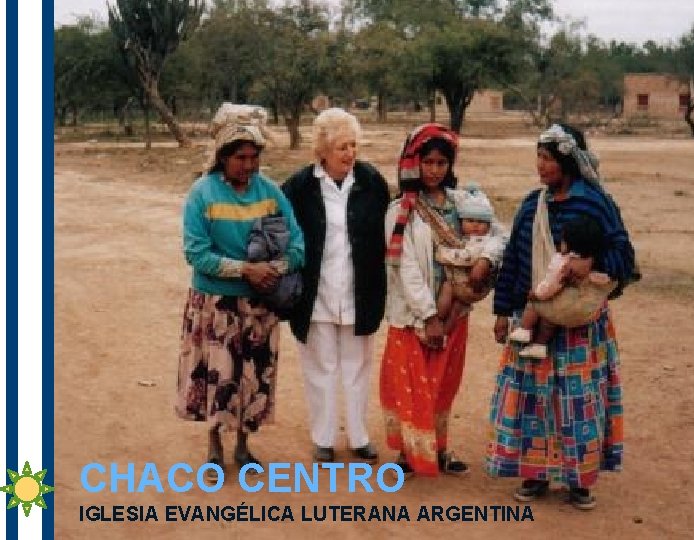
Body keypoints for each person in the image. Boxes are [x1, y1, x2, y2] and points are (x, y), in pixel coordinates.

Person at [486, 123, 635, 510]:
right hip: (532, 316)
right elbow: (515, 261)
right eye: (538, 157)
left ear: (567, 162)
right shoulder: (531, 206)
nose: (540, 166)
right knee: (534, 401)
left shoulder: (595, 203)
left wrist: (593, 265)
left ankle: (579, 481)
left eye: (547, 159)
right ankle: (534, 474)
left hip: (580, 329)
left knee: (578, 401)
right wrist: (504, 312)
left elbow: (624, 254)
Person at [175, 103, 304, 479]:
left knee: (254, 374)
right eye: (240, 157)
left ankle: (245, 445)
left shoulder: (271, 193)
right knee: (219, 374)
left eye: (254, 157)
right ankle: (214, 445)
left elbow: (297, 247)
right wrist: (245, 269)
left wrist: (271, 270)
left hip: (260, 304)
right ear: (222, 157)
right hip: (216, 304)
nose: (248, 165)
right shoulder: (202, 193)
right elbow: (196, 253)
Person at [381, 123, 506, 477]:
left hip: (457, 314)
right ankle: (407, 455)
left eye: (442, 163)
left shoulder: (464, 202)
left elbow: (500, 236)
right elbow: (405, 268)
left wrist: (485, 259)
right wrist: (429, 316)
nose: (435, 170)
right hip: (414, 317)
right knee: (411, 386)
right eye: (429, 162)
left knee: (442, 384)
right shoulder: (400, 211)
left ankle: (439, 449)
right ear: (414, 163)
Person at [282, 108, 390, 463]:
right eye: (342, 146)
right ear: (323, 150)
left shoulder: (372, 182)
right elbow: (279, 228)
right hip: (316, 293)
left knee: (358, 366)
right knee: (320, 367)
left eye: (354, 145)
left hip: (359, 291)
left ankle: (359, 437)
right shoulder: (299, 186)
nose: (350, 153)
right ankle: (324, 438)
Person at [507, 215, 617, 359]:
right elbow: (606, 281)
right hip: (582, 310)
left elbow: (553, 283)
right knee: (549, 322)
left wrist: (538, 294)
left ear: (570, 243)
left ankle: (525, 329)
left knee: (536, 306)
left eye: (563, 240)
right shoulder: (594, 263)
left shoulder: (563, 262)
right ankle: (540, 345)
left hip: (559, 302)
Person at [435, 187, 505, 335]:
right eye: (470, 220)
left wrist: (441, 253)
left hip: (470, 285)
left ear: (489, 225)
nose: (475, 225)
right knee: (456, 309)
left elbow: (466, 257)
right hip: (470, 288)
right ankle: (444, 332)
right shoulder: (469, 237)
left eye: (481, 222)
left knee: (447, 288)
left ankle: (438, 318)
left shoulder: (482, 241)